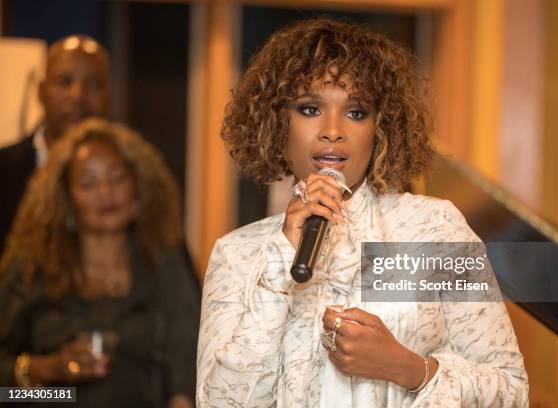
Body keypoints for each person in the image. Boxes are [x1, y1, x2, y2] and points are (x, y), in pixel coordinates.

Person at [196, 18, 529, 407]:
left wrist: (404, 367)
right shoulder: (238, 254)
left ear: (381, 128)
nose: (333, 130)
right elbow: (220, 403)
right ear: (277, 125)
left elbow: (511, 391)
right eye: (309, 108)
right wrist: (279, 262)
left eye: (356, 112)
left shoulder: (432, 229)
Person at [0, 119, 199, 408]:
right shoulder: (31, 266)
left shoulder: (161, 259)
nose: (105, 192)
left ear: (138, 186)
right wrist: (45, 371)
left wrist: (181, 401)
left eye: (117, 178)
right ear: (65, 198)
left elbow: (186, 354)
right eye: (88, 183)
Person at [0, 34, 110, 252]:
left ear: (108, 95)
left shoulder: (134, 177)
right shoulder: (3, 171)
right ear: (41, 92)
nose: (77, 96)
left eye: (93, 83)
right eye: (64, 81)